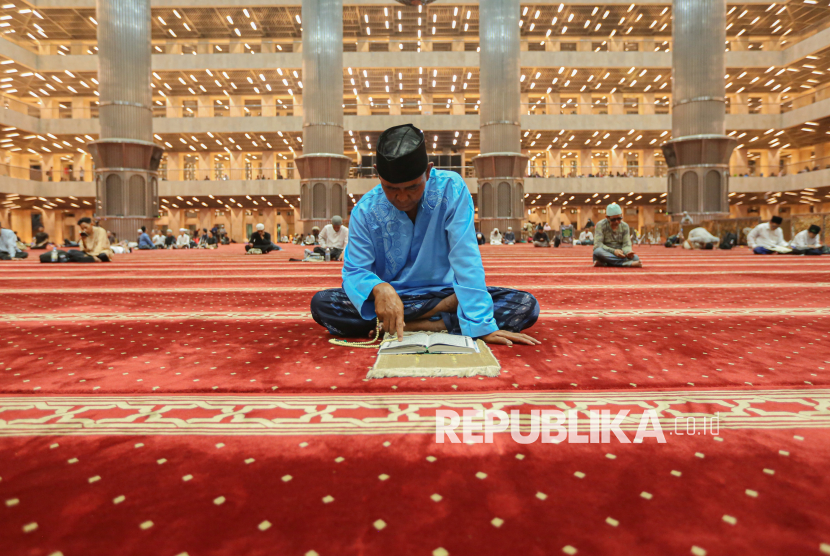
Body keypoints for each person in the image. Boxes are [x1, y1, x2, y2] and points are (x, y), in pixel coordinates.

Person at [310, 123, 540, 346]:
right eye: (391, 188)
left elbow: (466, 258)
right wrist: (380, 289)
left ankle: (415, 325)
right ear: (377, 174)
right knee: (323, 304)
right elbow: (355, 270)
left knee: (524, 304)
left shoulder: (451, 190)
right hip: (401, 299)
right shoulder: (365, 211)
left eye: (412, 187)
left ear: (428, 172)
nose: (402, 198)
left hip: (447, 292)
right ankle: (440, 318)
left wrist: (481, 323)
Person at [593, 203, 642, 268]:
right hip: (607, 253)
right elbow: (598, 245)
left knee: (635, 258)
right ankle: (626, 263)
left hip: (620, 255)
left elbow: (626, 244)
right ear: (607, 217)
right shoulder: (600, 225)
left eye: (619, 219)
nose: (616, 221)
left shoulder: (625, 226)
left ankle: (606, 263)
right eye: (613, 219)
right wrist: (614, 251)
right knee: (597, 251)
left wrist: (628, 252)